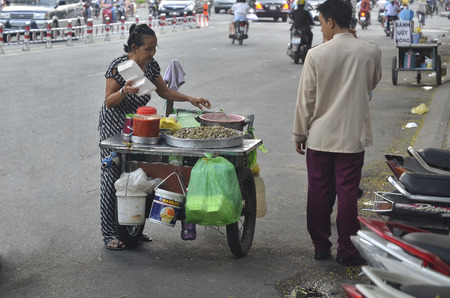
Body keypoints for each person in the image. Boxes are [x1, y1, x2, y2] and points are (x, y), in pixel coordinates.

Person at [99, 24, 211, 250]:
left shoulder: (151, 67)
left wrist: (190, 98)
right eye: (148, 49)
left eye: (154, 48)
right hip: (114, 126)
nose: (153, 53)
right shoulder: (120, 66)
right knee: (113, 175)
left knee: (141, 174)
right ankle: (110, 233)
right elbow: (108, 100)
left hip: (139, 127)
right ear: (134, 47)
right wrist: (123, 92)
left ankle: (134, 230)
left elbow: (164, 91)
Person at [292, 0, 382, 266]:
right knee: (347, 194)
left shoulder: (316, 54)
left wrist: (299, 134)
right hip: (352, 138)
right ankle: (347, 250)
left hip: (320, 137)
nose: (321, 29)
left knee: (318, 193)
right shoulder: (371, 52)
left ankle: (321, 246)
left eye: (320, 23)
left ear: (330, 22)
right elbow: (371, 83)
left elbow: (305, 99)